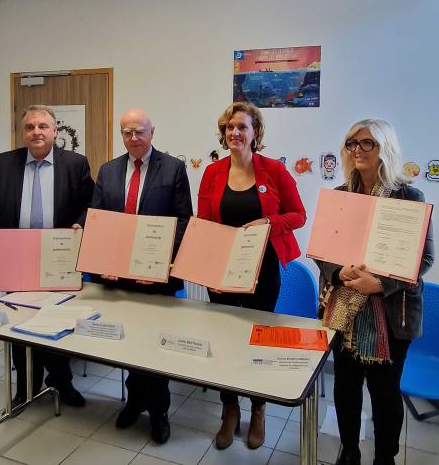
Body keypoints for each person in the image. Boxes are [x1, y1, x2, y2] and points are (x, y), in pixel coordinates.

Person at [316, 119, 434, 465]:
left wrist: (380, 284)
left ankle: (385, 456)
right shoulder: (340, 197)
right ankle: (349, 450)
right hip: (344, 312)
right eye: (352, 143)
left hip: (392, 315)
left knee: (385, 395)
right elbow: (323, 253)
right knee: (345, 390)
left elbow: (423, 257)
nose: (358, 151)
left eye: (367, 143)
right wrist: (338, 271)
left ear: (385, 148)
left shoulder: (409, 196)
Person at [197, 102, 306, 450]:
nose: (235, 133)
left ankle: (258, 409)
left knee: (258, 339)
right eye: (230, 127)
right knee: (226, 341)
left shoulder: (274, 170)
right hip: (222, 270)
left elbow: (299, 215)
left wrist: (269, 222)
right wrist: (204, 266)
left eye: (242, 127)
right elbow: (203, 226)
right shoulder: (212, 173)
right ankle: (230, 410)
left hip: (264, 269)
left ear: (255, 133)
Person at [0, 104, 95, 407]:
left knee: (56, 319)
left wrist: (79, 225)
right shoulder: (4, 164)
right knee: (20, 319)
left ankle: (61, 382)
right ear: (23, 132)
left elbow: (89, 205)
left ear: (55, 131)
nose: (36, 132)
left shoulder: (75, 164)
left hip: (59, 258)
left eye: (43, 126)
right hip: (16, 258)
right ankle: (26, 386)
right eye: (30, 127)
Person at [92, 108, 192, 444]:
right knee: (128, 342)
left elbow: (183, 222)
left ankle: (160, 412)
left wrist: (162, 265)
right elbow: (100, 222)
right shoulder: (107, 171)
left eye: (139, 131)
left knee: (155, 345)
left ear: (152, 132)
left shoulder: (174, 168)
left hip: (156, 278)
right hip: (118, 277)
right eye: (126, 132)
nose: (133, 138)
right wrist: (103, 260)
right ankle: (134, 401)